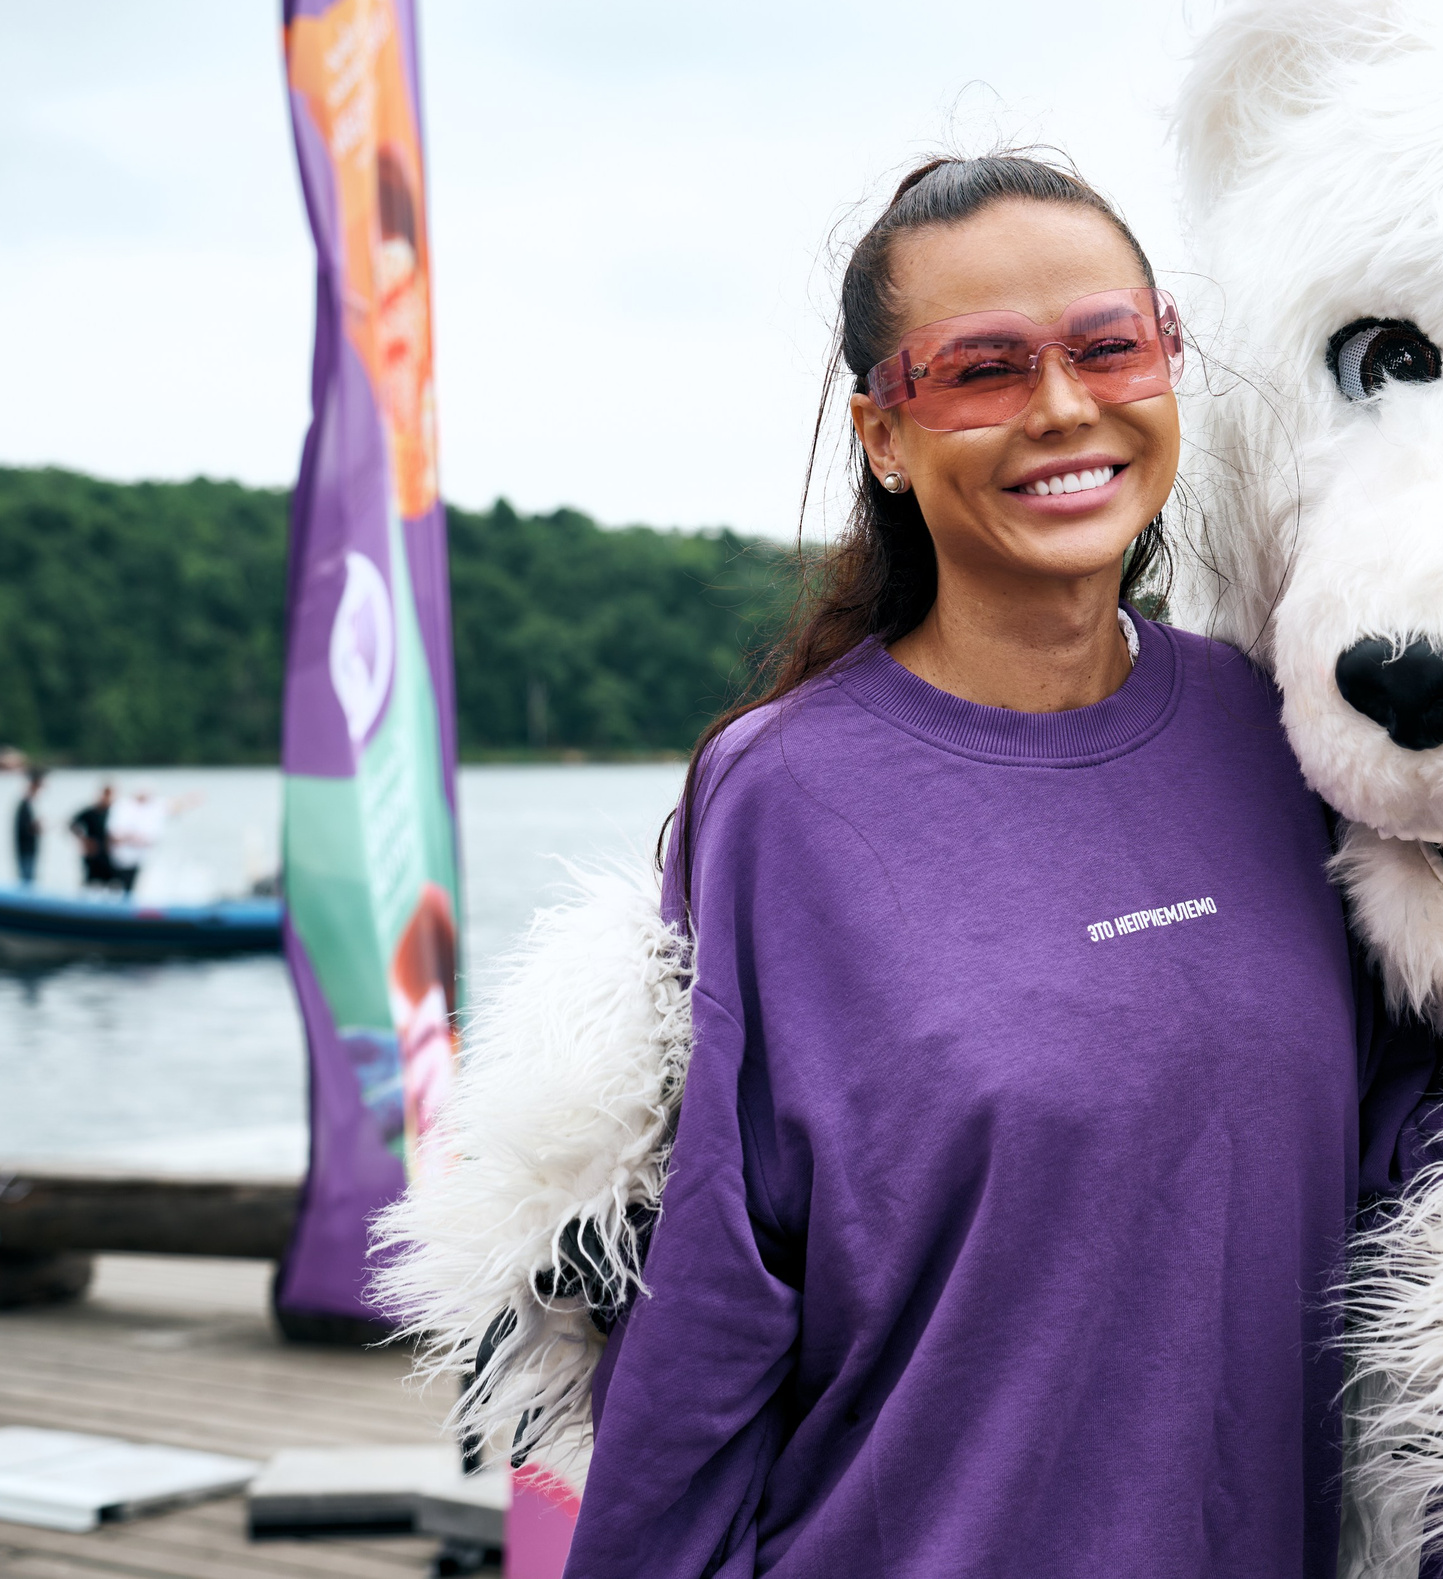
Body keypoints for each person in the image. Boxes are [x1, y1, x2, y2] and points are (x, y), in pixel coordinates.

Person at [568, 154, 1365, 1578]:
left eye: (1107, 344)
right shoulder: (783, 799)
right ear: (884, 431)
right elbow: (705, 1302)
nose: (1064, 406)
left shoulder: (1281, 730)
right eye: (983, 368)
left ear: (1169, 356)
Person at [69, 783, 120, 892]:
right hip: (93, 854)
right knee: (90, 884)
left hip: (109, 855)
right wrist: (84, 840)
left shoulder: (115, 811)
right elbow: (72, 824)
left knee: (112, 885)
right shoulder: (91, 811)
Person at [11, 768, 42, 886]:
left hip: (29, 850)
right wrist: (36, 827)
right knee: (26, 882)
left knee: (29, 880)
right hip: (25, 851)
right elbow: (25, 829)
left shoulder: (27, 805)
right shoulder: (24, 806)